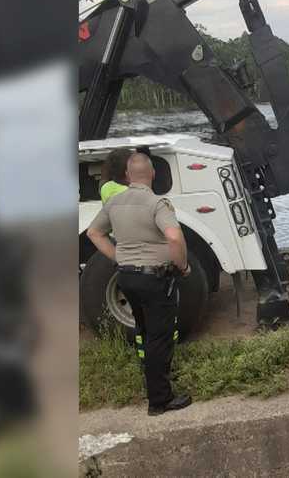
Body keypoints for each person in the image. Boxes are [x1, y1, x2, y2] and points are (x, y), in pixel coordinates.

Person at [86, 153, 192, 416]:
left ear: (127, 176)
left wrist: (118, 257)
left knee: (144, 330)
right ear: (153, 174)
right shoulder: (157, 203)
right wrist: (183, 266)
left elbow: (93, 233)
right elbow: (174, 238)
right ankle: (160, 400)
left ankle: (154, 380)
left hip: (127, 278)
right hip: (155, 278)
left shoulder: (114, 202)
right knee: (160, 336)